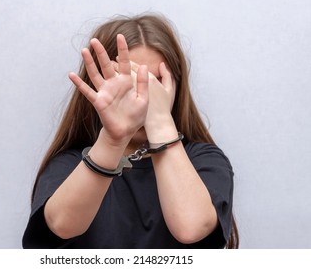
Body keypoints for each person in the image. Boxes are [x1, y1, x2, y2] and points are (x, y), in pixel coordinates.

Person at [22, 13, 239, 249]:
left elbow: (191, 228)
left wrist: (159, 119)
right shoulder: (69, 164)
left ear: (175, 86)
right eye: (132, 84)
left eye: (155, 84)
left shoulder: (204, 160)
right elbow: (62, 226)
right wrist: (113, 138)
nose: (143, 99)